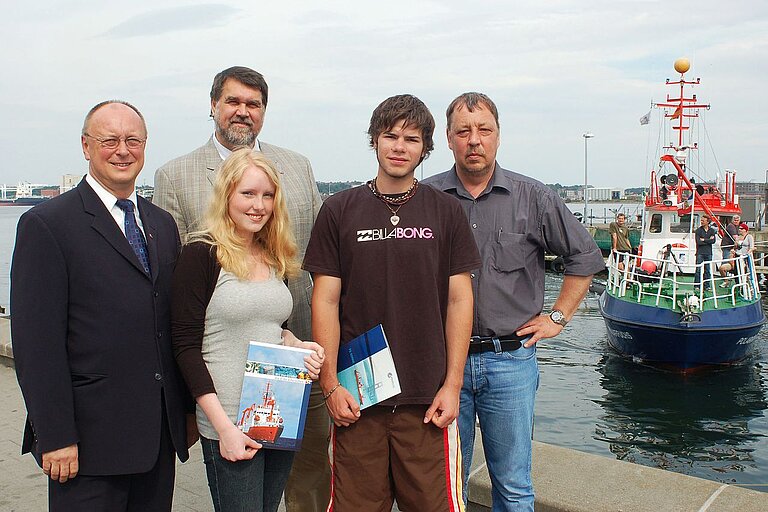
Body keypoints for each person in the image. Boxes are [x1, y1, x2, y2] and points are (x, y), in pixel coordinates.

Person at [153, 66, 329, 511]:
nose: (259, 205)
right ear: (213, 105)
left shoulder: (291, 188)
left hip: (281, 398)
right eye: (233, 101)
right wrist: (204, 413)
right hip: (226, 405)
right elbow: (181, 325)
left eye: (254, 104)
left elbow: (299, 286)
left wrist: (297, 343)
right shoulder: (179, 185)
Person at [423, 92, 605, 511]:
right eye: (463, 131)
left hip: (511, 361)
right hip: (441, 364)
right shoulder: (426, 199)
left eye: (484, 130)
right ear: (448, 139)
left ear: (498, 136)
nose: (474, 140)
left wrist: (557, 316)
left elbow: (585, 257)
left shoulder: (534, 197)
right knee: (445, 483)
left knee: (514, 485)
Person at [11, 100, 194, 511]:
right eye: (109, 140)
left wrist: (182, 412)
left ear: (146, 145)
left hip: (156, 439)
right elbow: (36, 345)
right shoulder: (48, 224)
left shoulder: (162, 224)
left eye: (133, 140)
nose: (122, 150)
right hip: (87, 445)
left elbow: (168, 325)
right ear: (86, 146)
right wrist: (55, 435)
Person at [304, 94, 480, 511]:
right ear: (375, 141)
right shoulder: (339, 210)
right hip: (357, 400)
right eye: (391, 136)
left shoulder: (446, 211)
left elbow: (459, 300)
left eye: (412, 139)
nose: (400, 147)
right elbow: (325, 301)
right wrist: (329, 385)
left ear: (426, 148)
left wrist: (453, 385)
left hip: (427, 399)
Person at [695, 214, 717, 289]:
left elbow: (713, 241)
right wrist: (708, 240)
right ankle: (697, 285)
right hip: (700, 252)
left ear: (708, 222)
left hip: (708, 253)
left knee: (707, 270)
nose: (701, 222)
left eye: (703, 221)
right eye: (701, 220)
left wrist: (704, 239)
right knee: (698, 269)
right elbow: (698, 242)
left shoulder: (712, 230)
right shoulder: (698, 230)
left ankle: (707, 285)